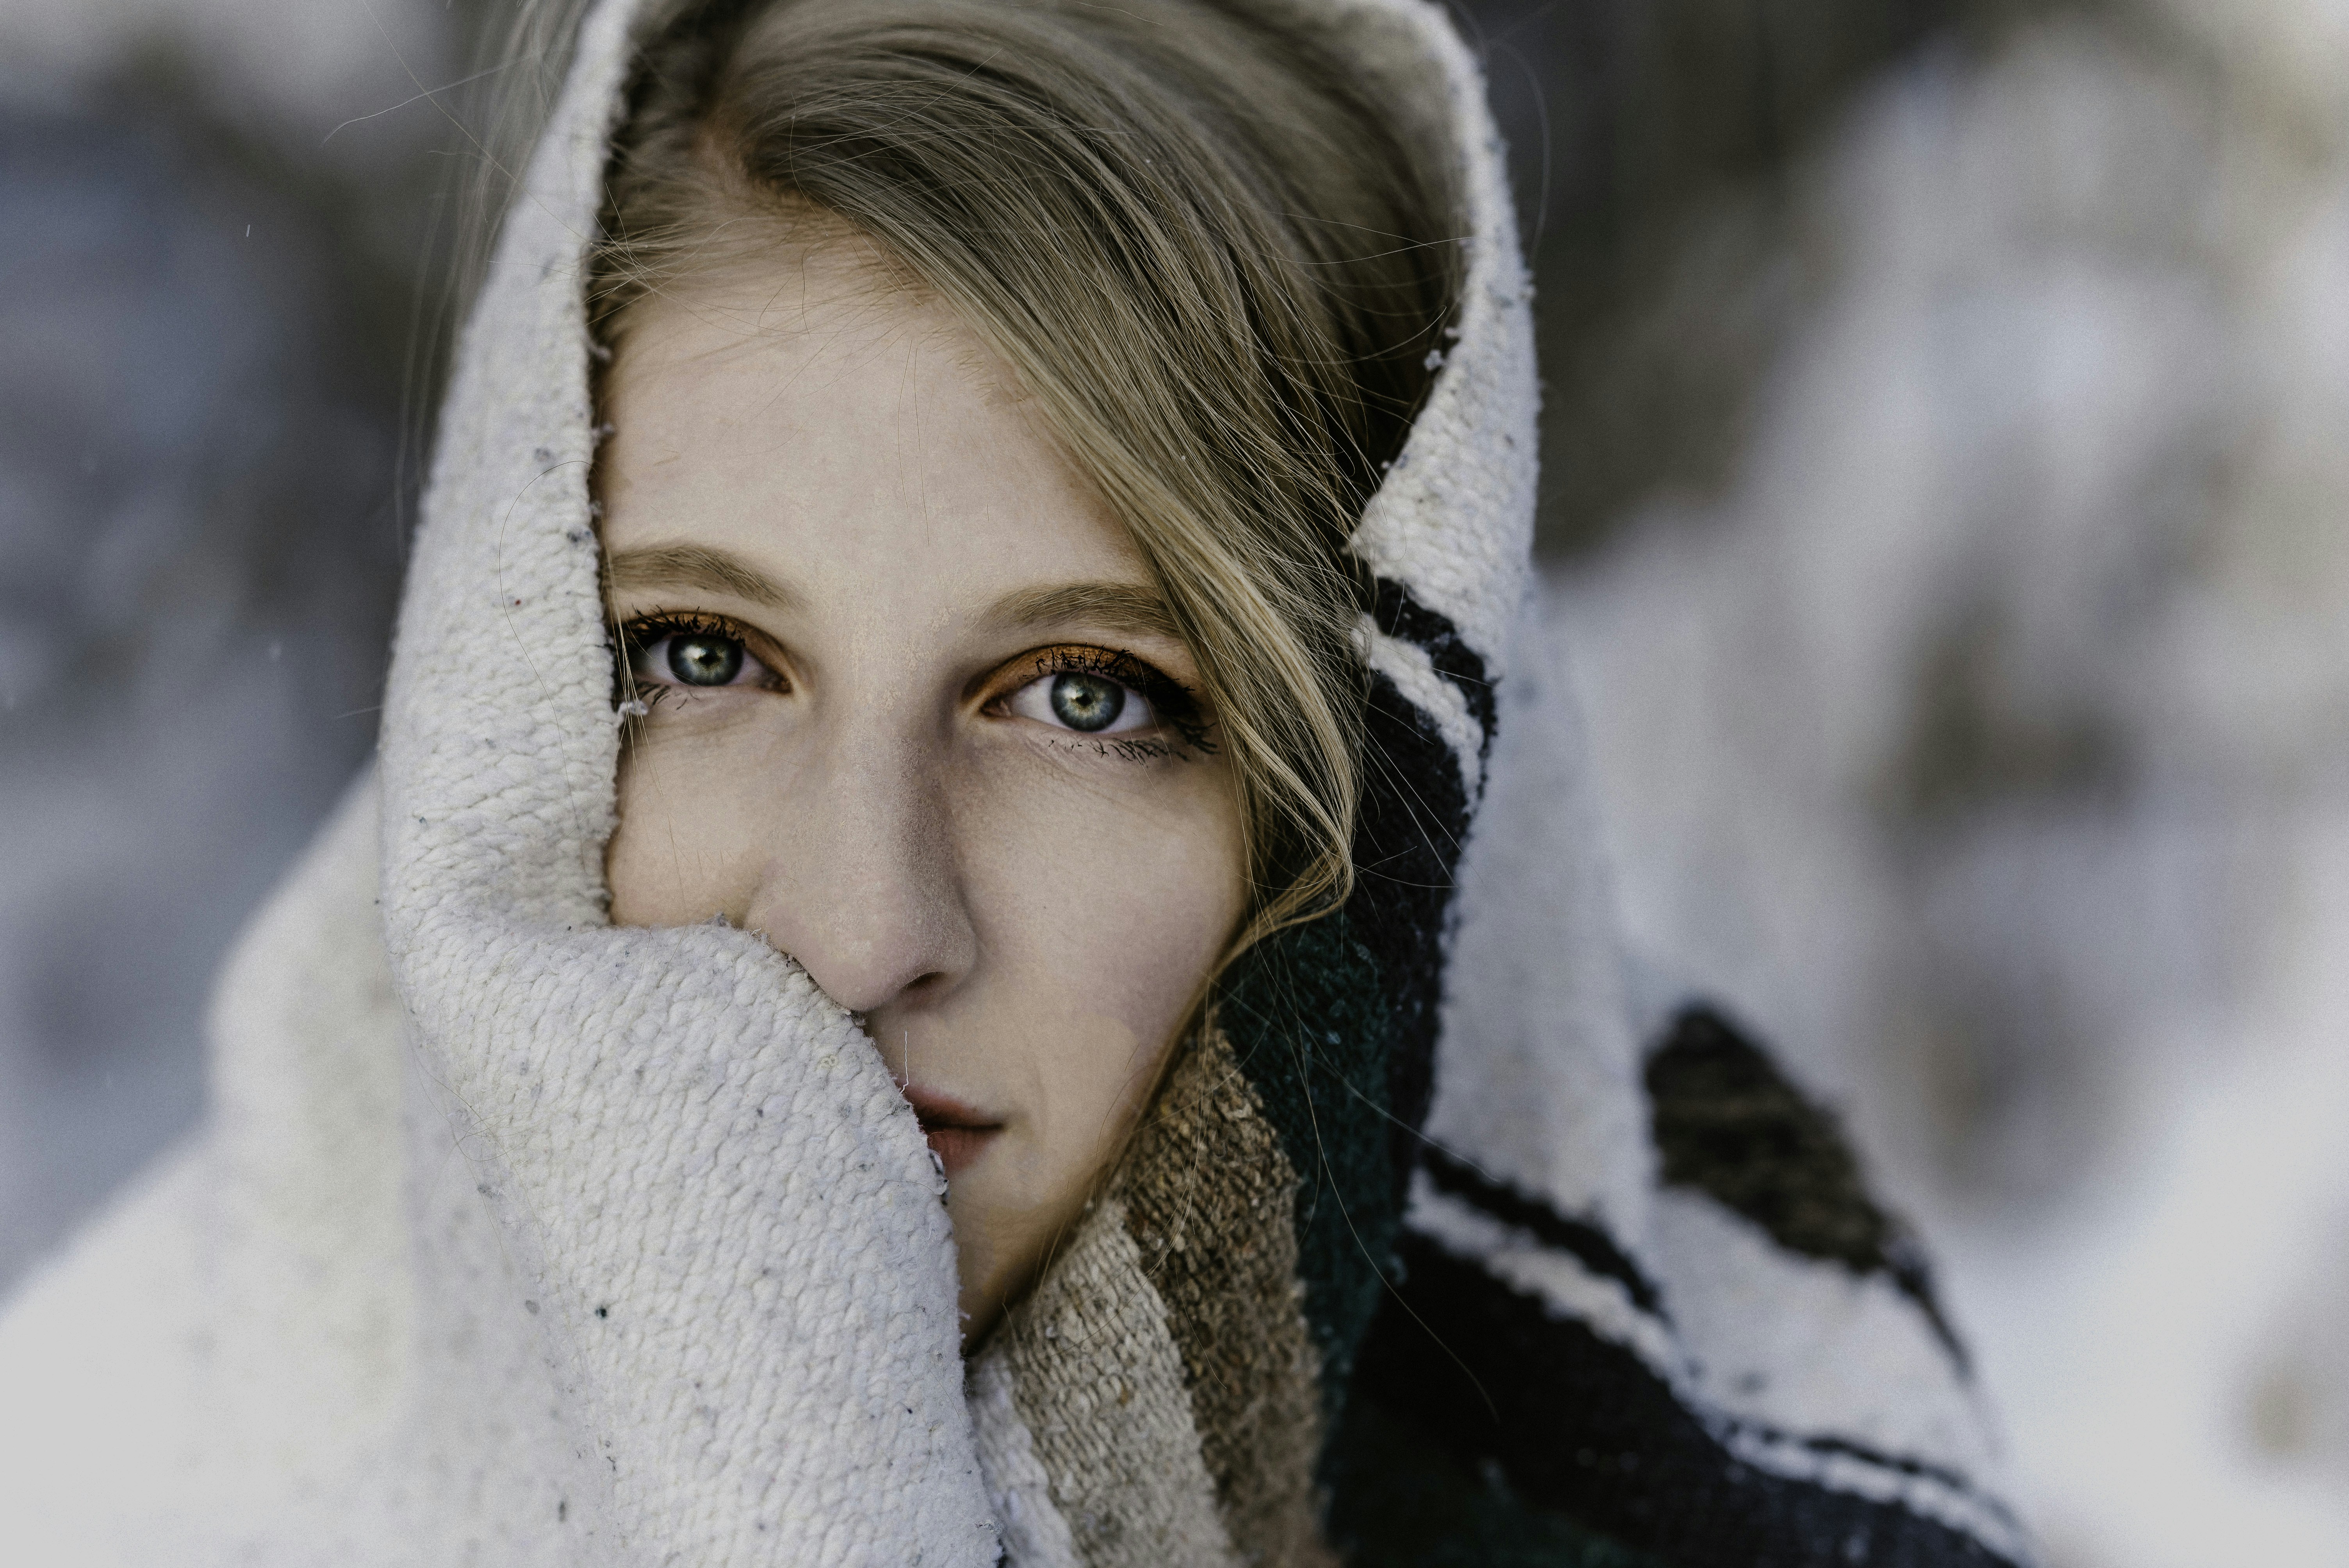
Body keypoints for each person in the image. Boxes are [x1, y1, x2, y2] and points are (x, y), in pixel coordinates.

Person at [0, 0, 2034, 1563]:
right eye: (699, 658)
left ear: (1371, 815)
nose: (867, 929)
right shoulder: (95, 1487)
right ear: (503, 685)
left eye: (1088, 698)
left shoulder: (1752, 1477)